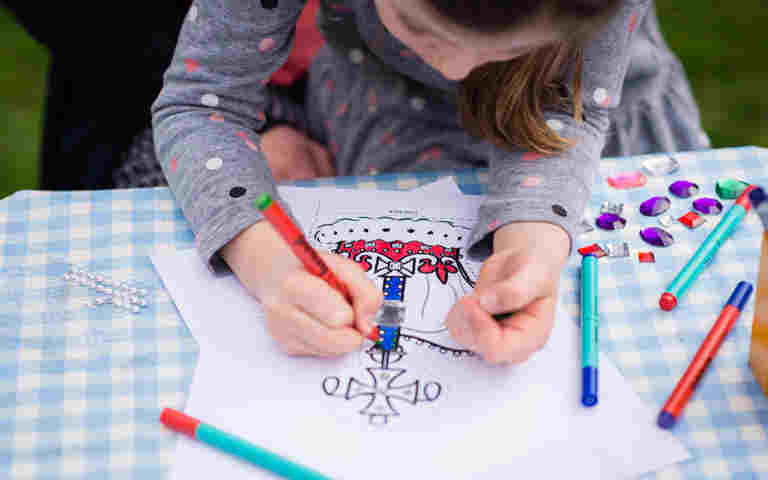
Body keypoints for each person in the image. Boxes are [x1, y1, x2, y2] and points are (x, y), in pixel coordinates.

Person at [152, 0, 708, 364]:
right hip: (387, 100)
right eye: (418, 26)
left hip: (566, 106)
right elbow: (202, 104)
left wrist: (534, 241)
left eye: (508, 49)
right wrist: (269, 263)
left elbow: (567, 108)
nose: (457, 70)